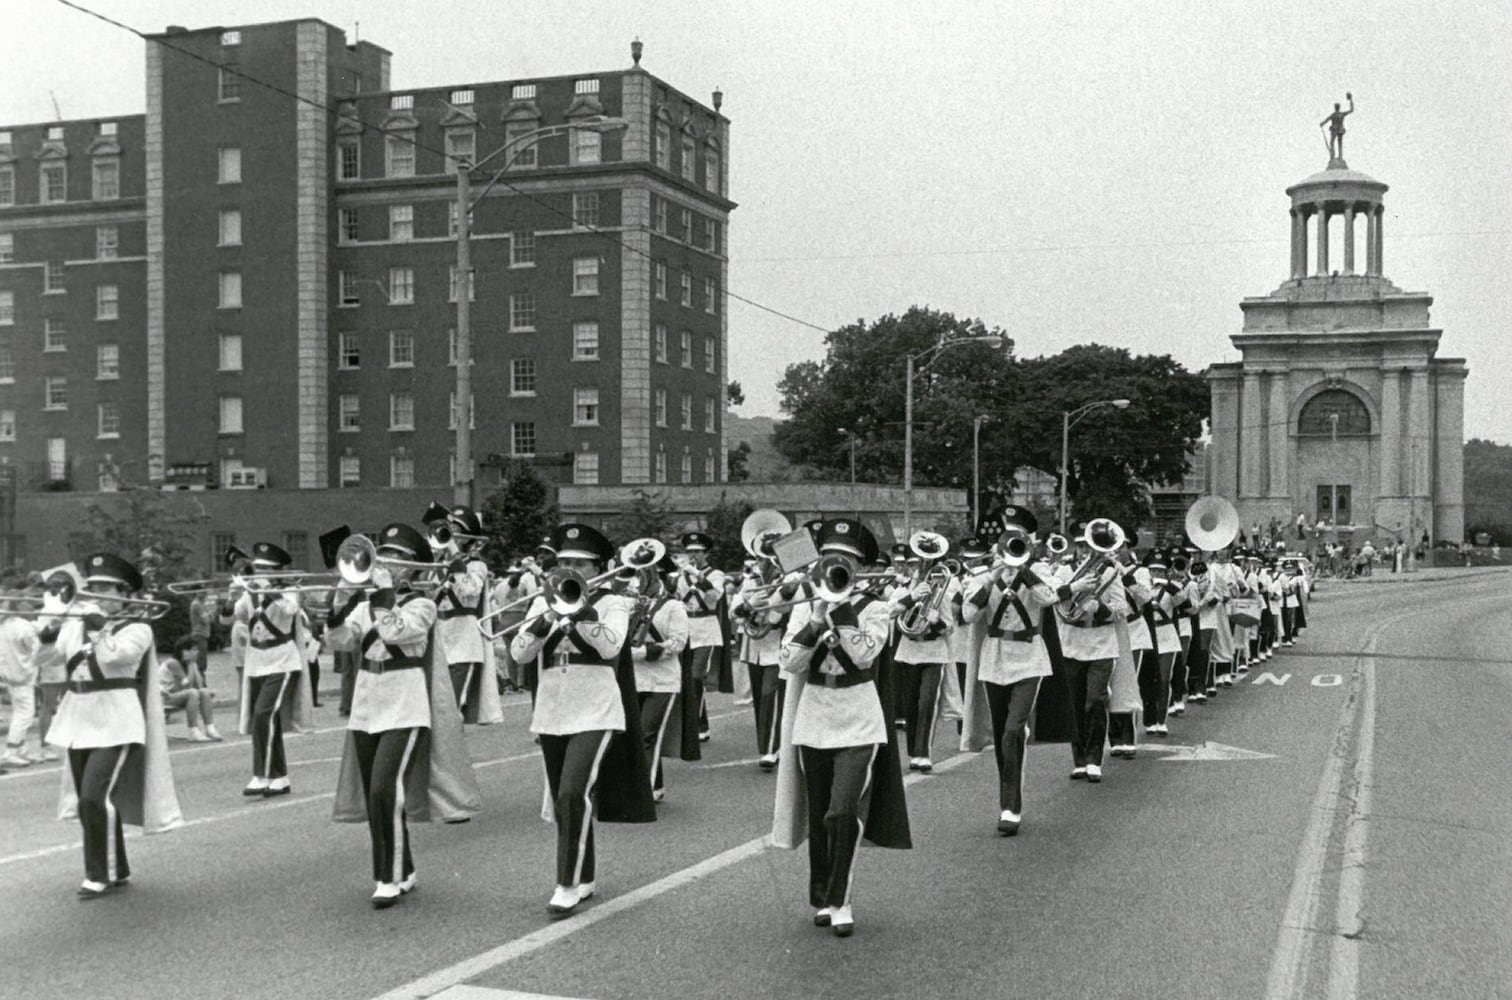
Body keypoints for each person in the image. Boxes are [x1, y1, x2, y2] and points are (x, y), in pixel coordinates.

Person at [326, 523, 481, 908]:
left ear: (411, 568)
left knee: (384, 789)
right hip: (366, 707)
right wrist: (338, 601)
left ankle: (389, 876)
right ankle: (404, 867)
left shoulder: (423, 604)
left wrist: (380, 592)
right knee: (376, 794)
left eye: (395, 561)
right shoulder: (365, 604)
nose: (386, 567)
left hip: (406, 707)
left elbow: (396, 632)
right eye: (383, 558)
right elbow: (339, 641)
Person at [771, 518, 910, 938]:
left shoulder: (877, 608)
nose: (838, 567)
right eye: (832, 559)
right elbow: (789, 663)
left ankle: (841, 898)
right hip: (813, 717)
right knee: (819, 813)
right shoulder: (804, 607)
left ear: (861, 567)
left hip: (859, 719)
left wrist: (843, 607)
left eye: (847, 561)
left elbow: (865, 655)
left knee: (841, 811)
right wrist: (815, 619)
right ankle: (823, 896)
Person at [511, 523, 655, 916]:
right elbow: (519, 653)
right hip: (554, 709)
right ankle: (585, 874)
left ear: (598, 568)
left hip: (596, 708)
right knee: (565, 798)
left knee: (572, 791)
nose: (568, 569)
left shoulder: (615, 602)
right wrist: (543, 621)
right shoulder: (542, 602)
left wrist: (584, 611)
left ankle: (567, 884)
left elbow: (611, 647)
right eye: (563, 562)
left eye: (579, 563)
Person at [43, 553, 182, 897]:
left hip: (117, 722)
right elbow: (47, 660)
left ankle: (99, 874)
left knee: (93, 796)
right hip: (78, 721)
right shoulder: (76, 623)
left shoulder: (139, 628)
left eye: (105, 587)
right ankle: (116, 867)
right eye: (93, 587)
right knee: (88, 799)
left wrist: (96, 628)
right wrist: (51, 622)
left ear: (124, 592)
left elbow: (115, 657)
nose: (97, 593)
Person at [960, 519, 1066, 835]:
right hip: (995, 658)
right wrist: (993, 576)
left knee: (1012, 729)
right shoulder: (983, 579)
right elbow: (969, 615)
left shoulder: (1038, 576)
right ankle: (1007, 798)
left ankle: (1011, 807)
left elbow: (1049, 599)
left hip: (1030, 659)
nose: (1011, 554)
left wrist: (1024, 570)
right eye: (1007, 548)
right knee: (1000, 731)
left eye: (1018, 548)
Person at [234, 543, 313, 798]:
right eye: (258, 568)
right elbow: (234, 616)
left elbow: (291, 610)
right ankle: (280, 777)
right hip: (257, 660)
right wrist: (237, 592)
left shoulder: (290, 590)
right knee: (269, 721)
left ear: (278, 571)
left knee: (263, 714)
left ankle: (262, 774)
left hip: (283, 660)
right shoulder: (251, 591)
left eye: (266, 569)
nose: (260, 573)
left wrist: (269, 591)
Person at [423, 503, 503, 726]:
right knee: (431, 709)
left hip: (464, 643)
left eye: (456, 529)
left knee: (451, 709)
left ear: (467, 537)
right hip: (439, 638)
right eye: (448, 528)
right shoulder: (436, 565)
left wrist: (454, 556)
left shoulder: (477, 565)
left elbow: (469, 591)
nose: (450, 534)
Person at [889, 532, 959, 774]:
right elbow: (889, 612)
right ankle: (913, 752)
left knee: (927, 702)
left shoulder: (943, 593)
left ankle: (924, 752)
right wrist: (911, 597)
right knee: (910, 705)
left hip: (934, 651)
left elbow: (950, 628)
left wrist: (937, 621)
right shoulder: (903, 589)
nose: (920, 567)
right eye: (916, 564)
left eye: (922, 563)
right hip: (908, 650)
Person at [628, 553, 690, 800]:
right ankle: (656, 785)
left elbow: (678, 643)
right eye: (638, 575)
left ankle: (643, 790)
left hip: (663, 680)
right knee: (637, 737)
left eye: (645, 575)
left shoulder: (674, 607)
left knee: (646, 734)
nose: (639, 581)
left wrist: (642, 652)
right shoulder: (631, 605)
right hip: (634, 678)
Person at [674, 532, 727, 743]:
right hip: (686, 627)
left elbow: (715, 597)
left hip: (706, 629)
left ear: (706, 553)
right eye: (690, 552)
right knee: (686, 678)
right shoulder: (681, 576)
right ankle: (700, 724)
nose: (693, 555)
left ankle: (692, 726)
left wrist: (697, 575)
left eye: (697, 551)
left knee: (697, 677)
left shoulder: (716, 574)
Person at [0, 583, 42, 766]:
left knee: (19, 711)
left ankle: (21, 748)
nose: (31, 606)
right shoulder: (23, 626)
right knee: (25, 714)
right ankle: (11, 750)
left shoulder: (5, 625)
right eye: (26, 603)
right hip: (23, 673)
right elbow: (34, 648)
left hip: (10, 672)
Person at [161, 640, 222, 741]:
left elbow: (200, 685)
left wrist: (194, 665)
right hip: (164, 697)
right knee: (192, 693)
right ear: (183, 651)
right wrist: (191, 664)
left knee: (204, 692)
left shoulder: (188, 663)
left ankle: (210, 728)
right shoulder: (173, 663)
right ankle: (193, 730)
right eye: (193, 650)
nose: (196, 653)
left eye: (196, 650)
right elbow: (187, 686)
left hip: (175, 695)